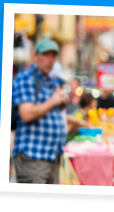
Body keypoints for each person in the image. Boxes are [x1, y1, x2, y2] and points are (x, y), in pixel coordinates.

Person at [11, 39, 74, 184]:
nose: (50, 60)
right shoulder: (26, 79)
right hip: (33, 157)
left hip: (52, 156)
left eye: (53, 56)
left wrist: (63, 104)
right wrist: (54, 101)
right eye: (46, 55)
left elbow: (50, 113)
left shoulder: (51, 82)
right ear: (35, 56)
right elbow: (27, 114)